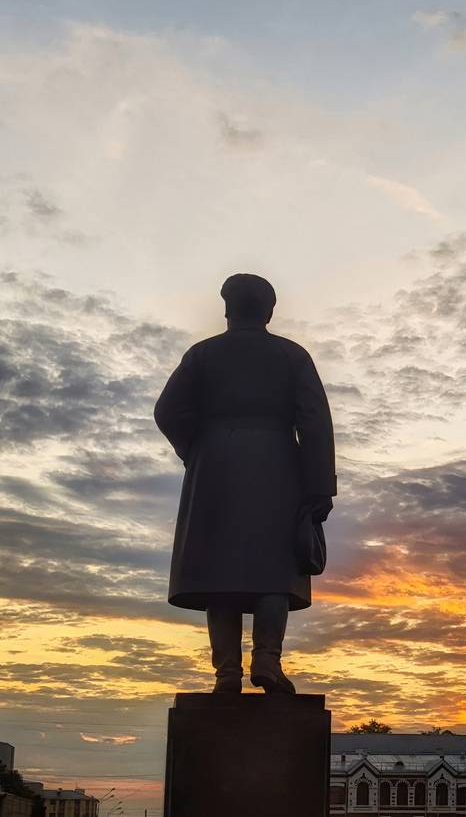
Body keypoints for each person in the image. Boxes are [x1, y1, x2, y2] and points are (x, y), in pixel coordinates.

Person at [154, 273, 336, 693]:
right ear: (269, 310)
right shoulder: (292, 356)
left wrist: (196, 449)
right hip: (278, 467)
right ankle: (268, 660)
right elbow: (314, 423)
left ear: (226, 308)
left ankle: (227, 673)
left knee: (221, 572)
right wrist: (319, 486)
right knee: (273, 568)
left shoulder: (202, 354)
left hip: (215, 465)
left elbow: (167, 411)